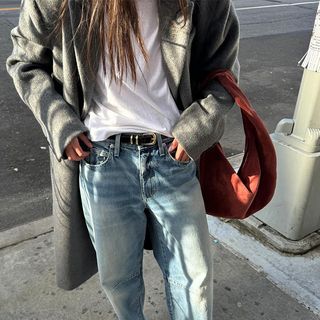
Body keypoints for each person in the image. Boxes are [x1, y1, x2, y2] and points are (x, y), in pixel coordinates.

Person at [7, 0, 240, 318]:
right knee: (120, 281)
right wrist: (60, 123)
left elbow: (223, 70)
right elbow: (25, 63)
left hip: (172, 156)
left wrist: (198, 127)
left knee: (194, 280)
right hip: (102, 161)